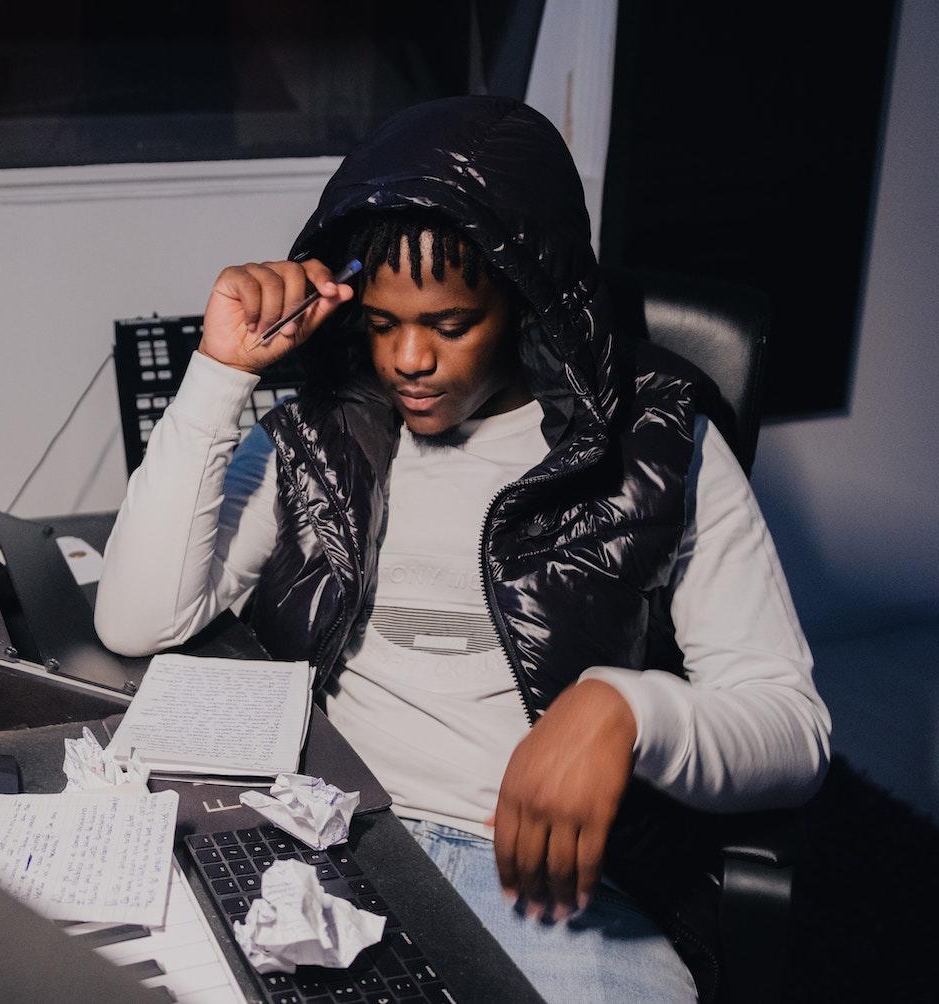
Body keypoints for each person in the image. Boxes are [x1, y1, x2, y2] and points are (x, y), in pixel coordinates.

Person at [94, 96, 831, 1003]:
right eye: (382, 322)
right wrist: (221, 374)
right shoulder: (321, 433)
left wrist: (624, 709)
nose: (408, 359)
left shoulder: (659, 437)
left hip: (543, 891)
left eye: (450, 325)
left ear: (525, 305)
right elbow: (135, 620)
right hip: (331, 845)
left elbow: (794, 731)